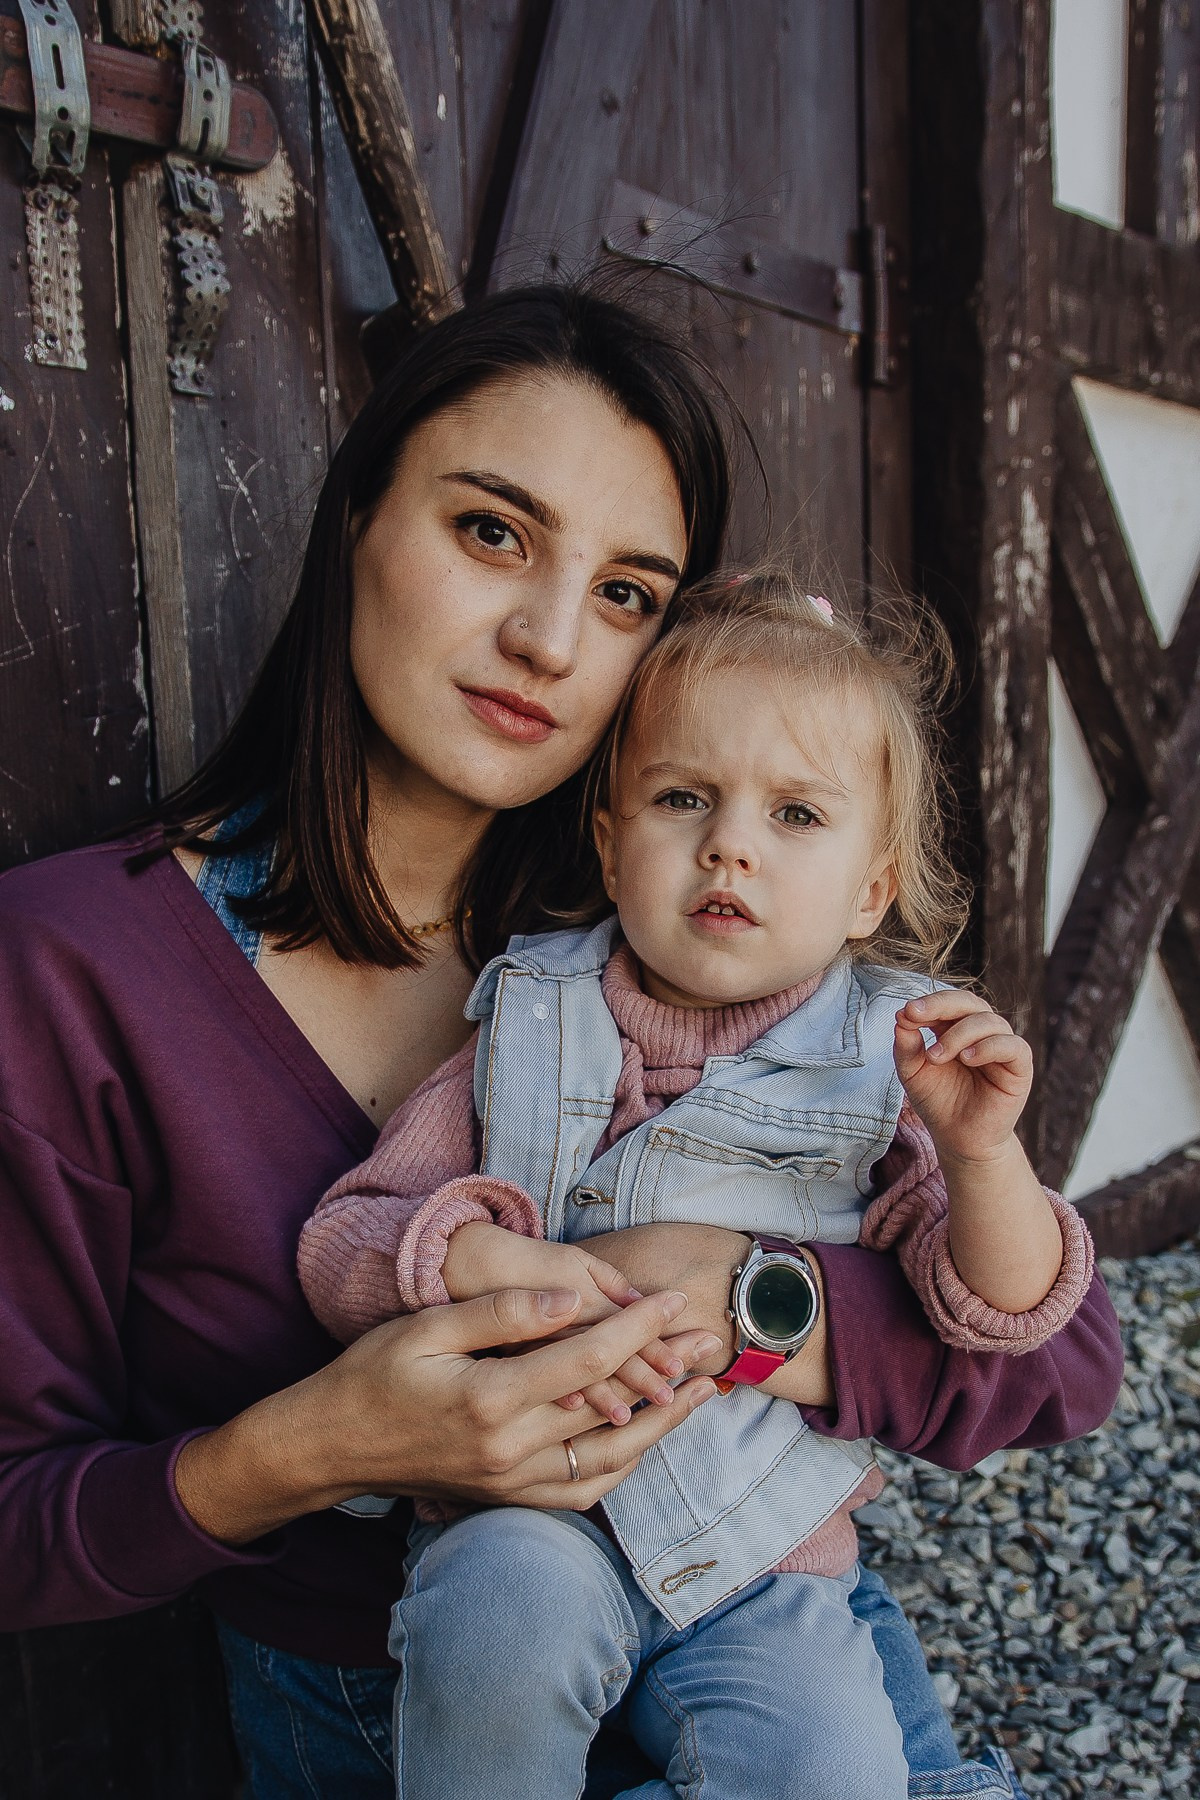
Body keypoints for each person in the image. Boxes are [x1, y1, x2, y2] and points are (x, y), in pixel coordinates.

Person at [0, 287, 1122, 1800]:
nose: (543, 638)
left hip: (782, 1658)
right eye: (491, 533)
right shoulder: (79, 967)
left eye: (626, 594)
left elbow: (1060, 1368)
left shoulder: (672, 927)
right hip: (411, 1718)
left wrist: (752, 1300)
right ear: (356, 522)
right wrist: (321, 1443)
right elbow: (21, 1523)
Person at [300, 568, 1112, 1799]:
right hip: (529, 1509)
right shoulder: (527, 1018)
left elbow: (996, 1309)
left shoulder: (892, 1065)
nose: (731, 841)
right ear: (613, 842)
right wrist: (472, 1257)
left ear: (869, 890)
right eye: (686, 798)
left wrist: (982, 1156)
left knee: (832, 1764)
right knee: (493, 1629)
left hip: (762, 1554)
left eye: (797, 816)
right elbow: (347, 1242)